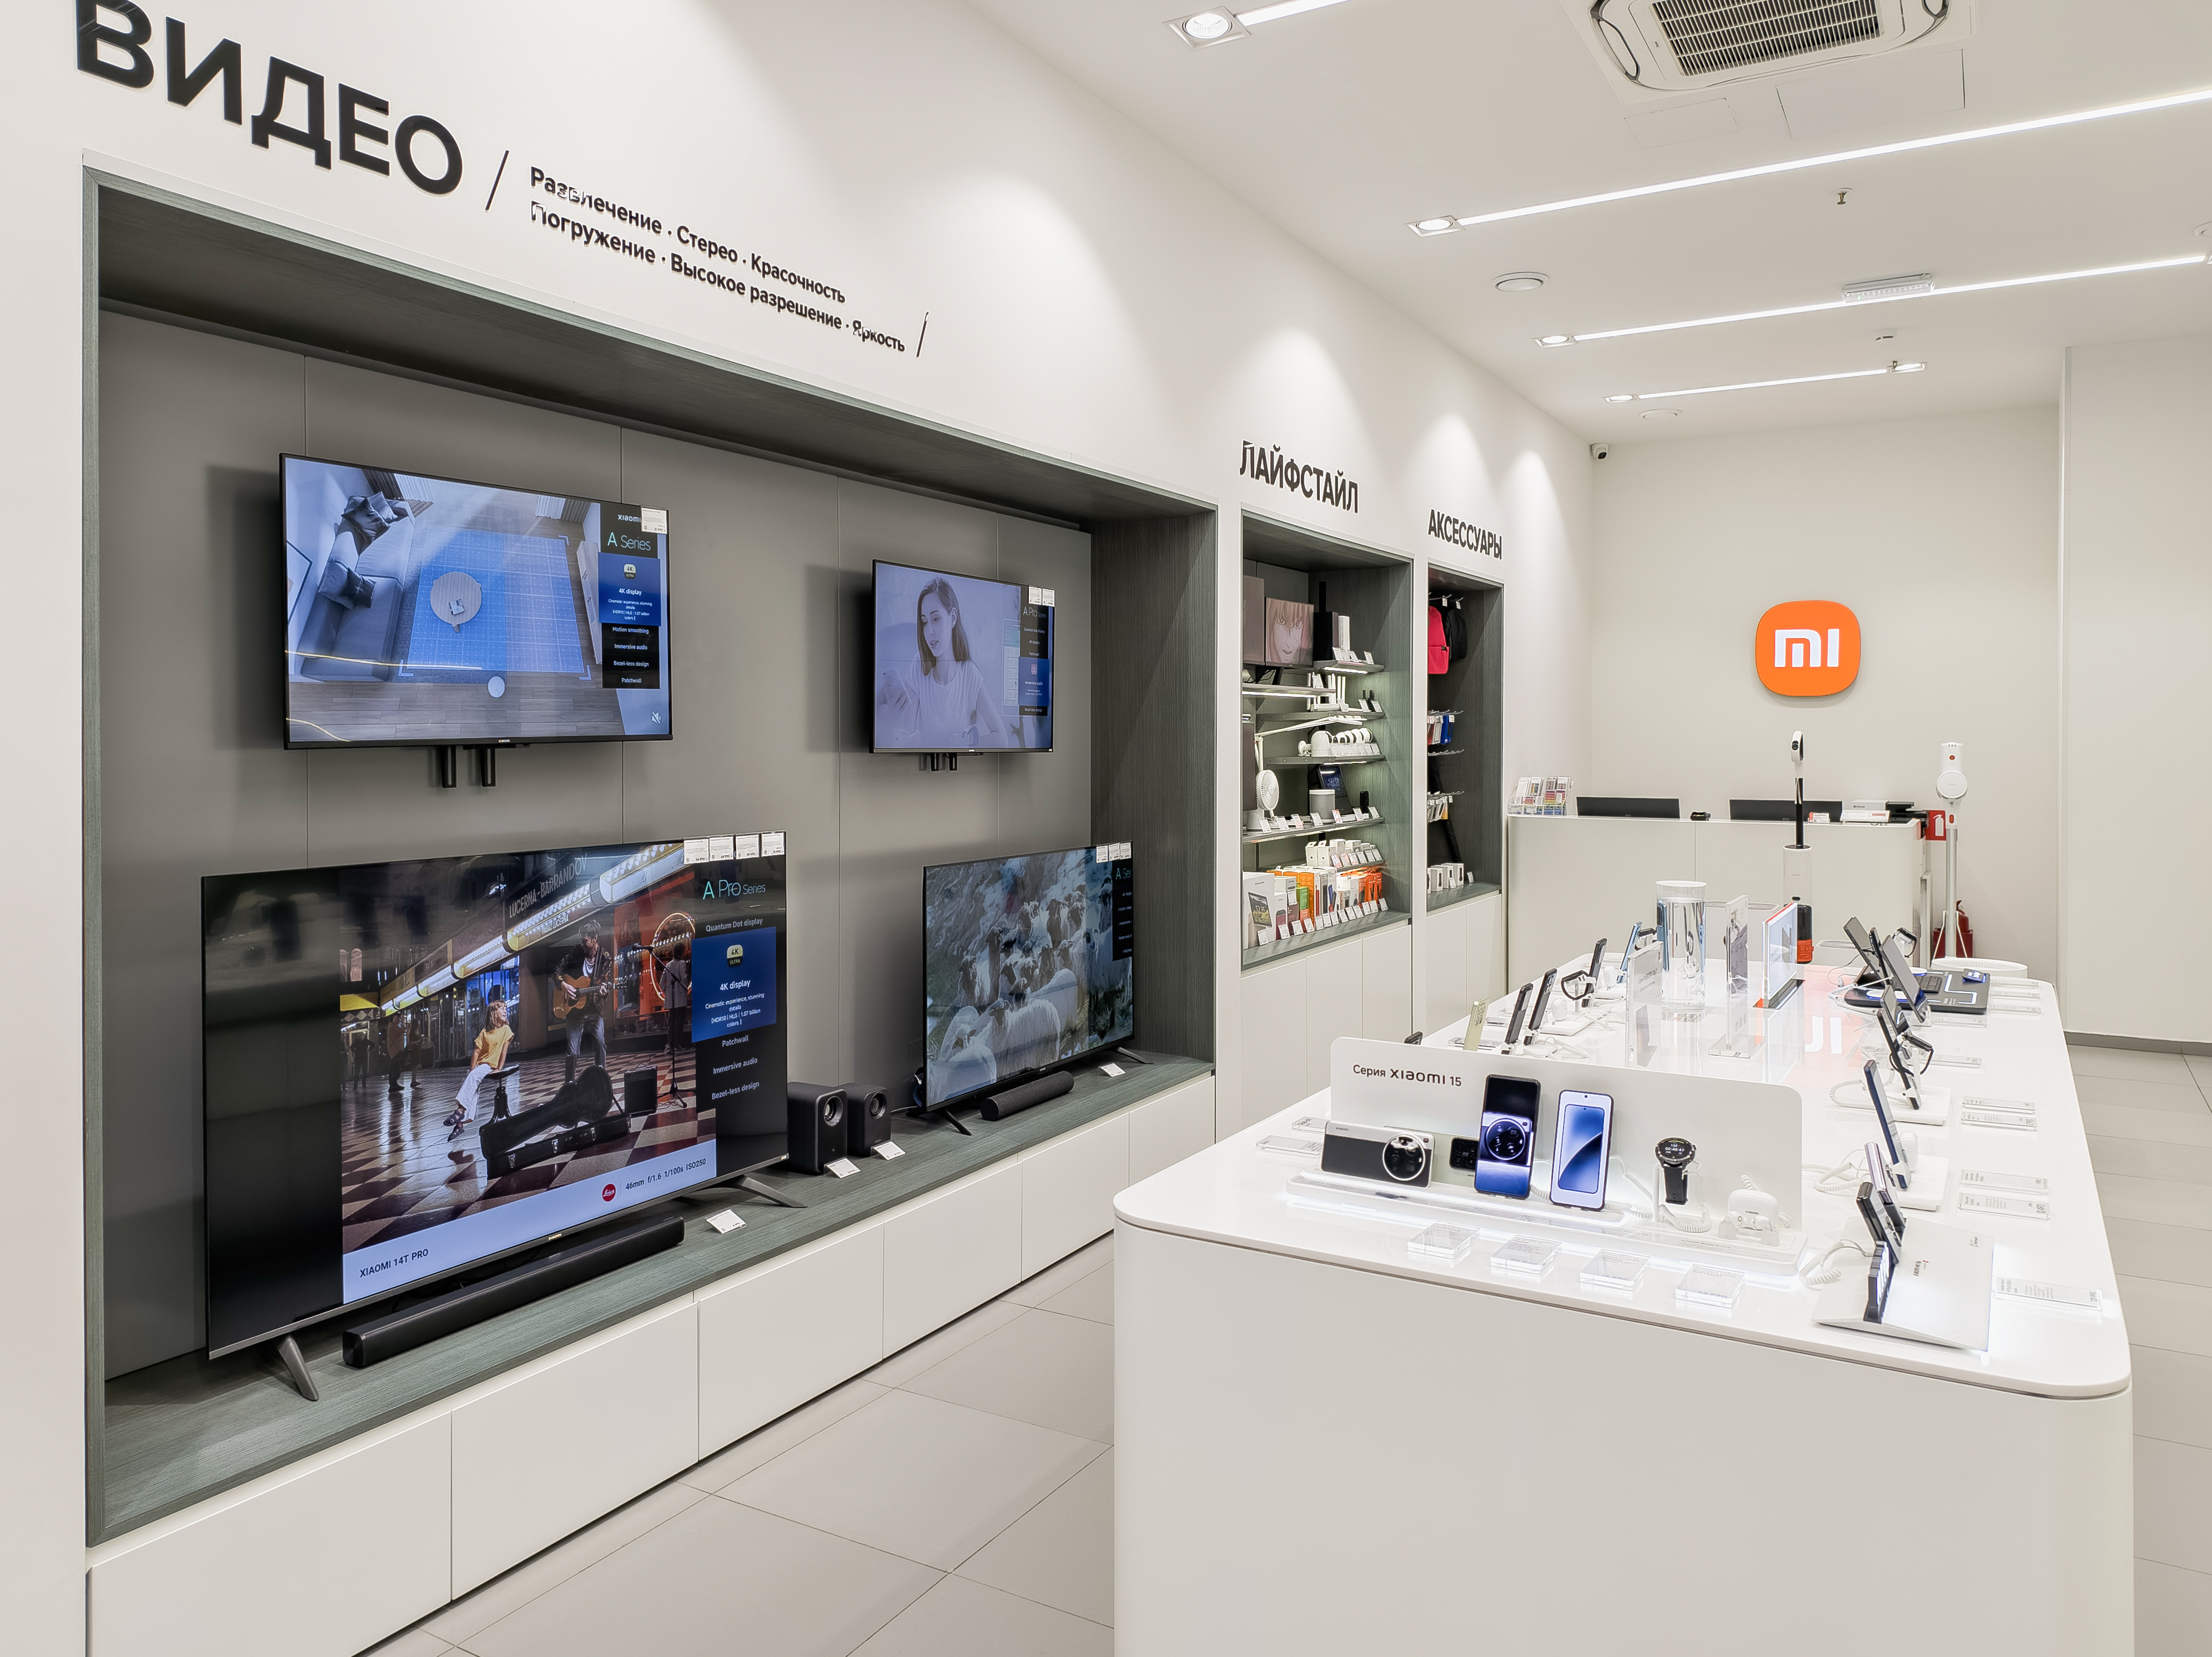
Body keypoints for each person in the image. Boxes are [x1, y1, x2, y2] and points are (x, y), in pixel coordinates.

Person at [874, 577, 1013, 749]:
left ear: (953, 618)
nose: (929, 631)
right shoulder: (919, 665)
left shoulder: (968, 673)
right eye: (925, 622)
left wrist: (963, 743)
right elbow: (907, 732)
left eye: (936, 619)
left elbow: (1002, 739)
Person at [445, 1001, 515, 1166]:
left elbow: (504, 1050)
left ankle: (461, 1110)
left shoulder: (506, 1030)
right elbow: (476, 1052)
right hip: (481, 1065)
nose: (505, 1011)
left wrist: (499, 1068)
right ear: (493, 1013)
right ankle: (460, 1124)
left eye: (505, 1008)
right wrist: (472, 1071)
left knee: (474, 1080)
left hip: (490, 1065)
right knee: (473, 1087)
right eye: (501, 1009)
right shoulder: (485, 1032)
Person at [557, 938, 609, 1081]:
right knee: (573, 1053)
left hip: (594, 1009)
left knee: (600, 1044)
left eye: (585, 940)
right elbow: (557, 971)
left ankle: (601, 1081)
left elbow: (605, 983)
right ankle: (569, 1084)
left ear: (595, 938)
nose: (582, 944)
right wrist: (564, 985)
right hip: (575, 1012)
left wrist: (604, 992)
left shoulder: (605, 958)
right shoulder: (576, 953)